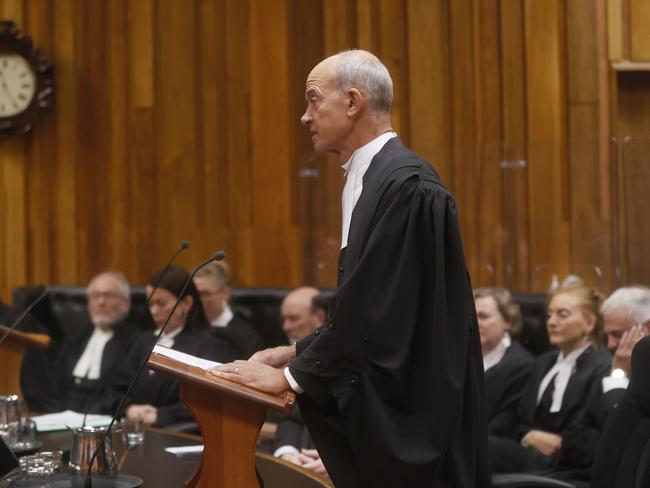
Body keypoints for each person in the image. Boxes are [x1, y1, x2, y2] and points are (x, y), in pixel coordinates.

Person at [211, 49, 490, 488]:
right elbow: (360, 304)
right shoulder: (371, 177)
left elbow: (381, 316)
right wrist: (296, 352)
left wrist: (287, 377)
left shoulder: (407, 186)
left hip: (416, 417)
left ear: (353, 102)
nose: (305, 117)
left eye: (313, 99)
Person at [489, 281, 612, 474]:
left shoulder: (603, 367)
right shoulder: (543, 362)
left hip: (571, 466)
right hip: (532, 455)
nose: (552, 322)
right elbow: (520, 419)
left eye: (562, 315)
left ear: (589, 323)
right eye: (549, 315)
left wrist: (557, 444)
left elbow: (587, 434)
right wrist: (528, 435)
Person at [544, 285, 650, 487]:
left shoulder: (615, 372)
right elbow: (573, 438)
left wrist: (619, 375)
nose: (609, 344)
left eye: (618, 335)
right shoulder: (610, 371)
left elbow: (615, 445)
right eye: (607, 335)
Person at [121, 266, 234, 427]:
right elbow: (116, 388)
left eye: (161, 303)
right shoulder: (139, 341)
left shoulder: (211, 347)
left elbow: (211, 401)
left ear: (186, 304)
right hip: (135, 432)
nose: (154, 311)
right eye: (150, 303)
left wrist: (162, 416)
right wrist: (129, 408)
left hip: (183, 435)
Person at [54, 271, 137, 414]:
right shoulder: (76, 338)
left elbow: (122, 391)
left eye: (108, 296)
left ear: (126, 303)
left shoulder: (135, 341)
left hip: (102, 414)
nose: (101, 302)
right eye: (95, 296)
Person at [475, 288, 534, 437]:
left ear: (507, 321)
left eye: (483, 316)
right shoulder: (458, 357)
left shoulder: (522, 365)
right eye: (471, 316)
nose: (475, 323)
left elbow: (504, 424)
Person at [194, 260, 264, 359]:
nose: (198, 301)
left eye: (205, 294)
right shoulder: (187, 327)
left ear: (225, 294)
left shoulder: (246, 337)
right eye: (195, 295)